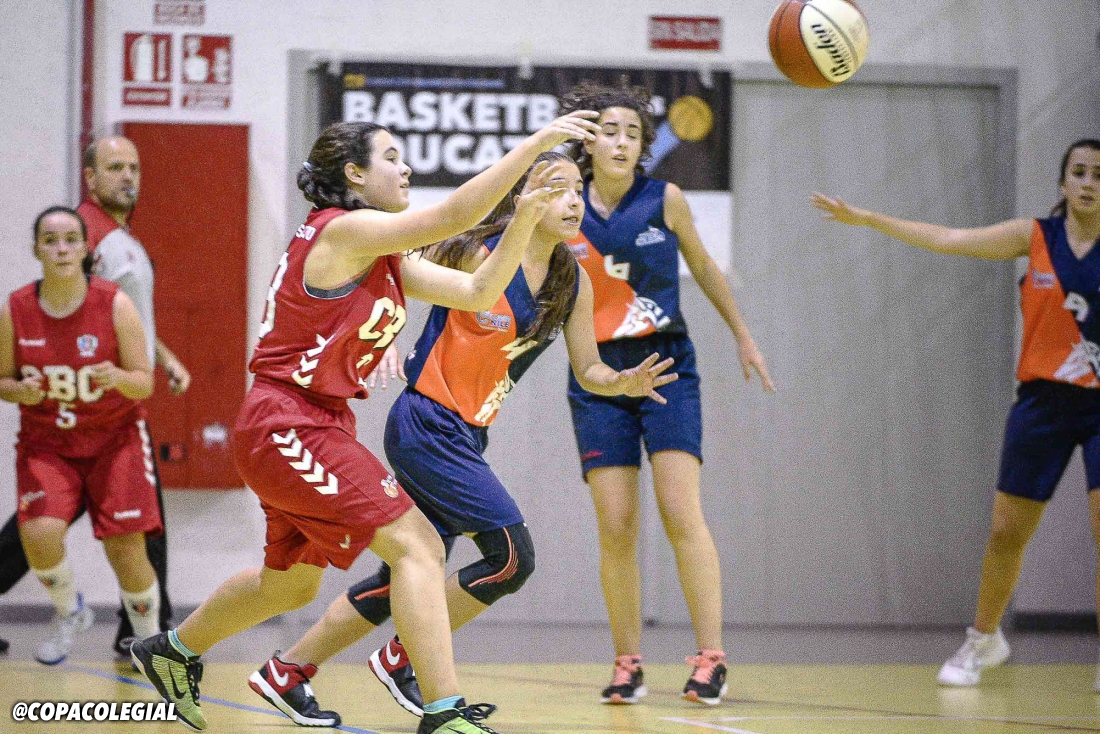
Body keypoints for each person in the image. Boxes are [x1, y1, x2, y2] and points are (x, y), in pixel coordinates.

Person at [130, 113, 603, 733]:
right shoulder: (343, 229)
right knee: (418, 546)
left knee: (289, 588)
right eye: (392, 157)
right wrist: (536, 146)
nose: (405, 169)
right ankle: (443, 711)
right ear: (354, 174)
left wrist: (521, 219)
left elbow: (478, 293)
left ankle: (173, 650)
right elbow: (455, 216)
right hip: (287, 422)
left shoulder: (380, 252)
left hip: (313, 423)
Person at [245, 152, 678, 725]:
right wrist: (382, 340)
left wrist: (620, 381)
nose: (573, 201)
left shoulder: (572, 281)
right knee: (511, 559)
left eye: (579, 189)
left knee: (403, 579)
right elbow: (385, 277)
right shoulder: (475, 250)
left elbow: (589, 368)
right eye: (557, 188)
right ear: (522, 198)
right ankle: (405, 658)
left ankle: (288, 670)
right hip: (426, 424)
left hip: (468, 436)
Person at [812, 138, 1100, 691]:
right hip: (1042, 402)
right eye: (1079, 172)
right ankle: (984, 640)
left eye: (1098, 174)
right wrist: (868, 219)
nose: (1088, 183)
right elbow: (951, 239)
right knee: (1006, 531)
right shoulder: (1034, 237)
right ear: (1063, 183)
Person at [556, 80, 775, 707]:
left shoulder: (665, 199)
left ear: (643, 145)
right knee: (616, 524)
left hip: (667, 366)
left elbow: (703, 267)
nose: (621, 142)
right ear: (588, 141)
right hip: (598, 376)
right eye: (609, 130)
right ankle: (627, 662)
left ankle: (711, 657)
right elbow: (531, 280)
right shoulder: (564, 207)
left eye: (632, 132)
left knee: (681, 511)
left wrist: (743, 335)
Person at [0, 136, 188, 658]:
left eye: (134, 167)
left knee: (135, 530)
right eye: (115, 168)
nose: (128, 177)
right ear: (90, 178)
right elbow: (78, 311)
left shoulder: (118, 238)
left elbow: (122, 319)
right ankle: (145, 629)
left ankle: (143, 630)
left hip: (114, 412)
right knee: (41, 529)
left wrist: (161, 358)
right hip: (65, 417)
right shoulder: (90, 236)